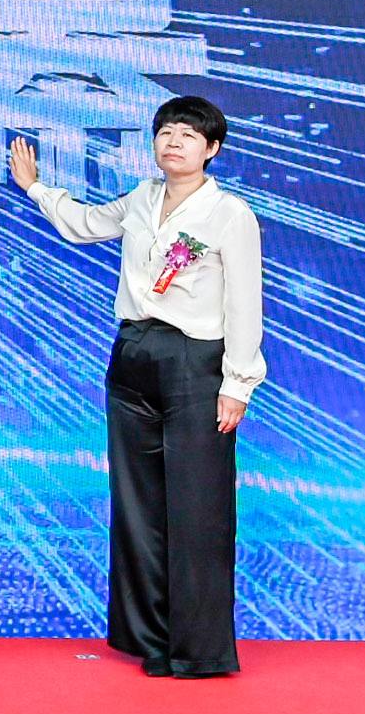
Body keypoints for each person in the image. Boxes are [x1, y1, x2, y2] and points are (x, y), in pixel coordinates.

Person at [16, 93, 265, 678]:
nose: (174, 141)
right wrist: (36, 188)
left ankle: (199, 650)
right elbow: (85, 224)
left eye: (189, 134)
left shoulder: (230, 214)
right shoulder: (141, 198)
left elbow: (245, 302)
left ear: (212, 149)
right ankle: (153, 639)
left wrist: (238, 382)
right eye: (166, 131)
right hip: (132, 351)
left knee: (198, 507)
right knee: (138, 503)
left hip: (195, 362)